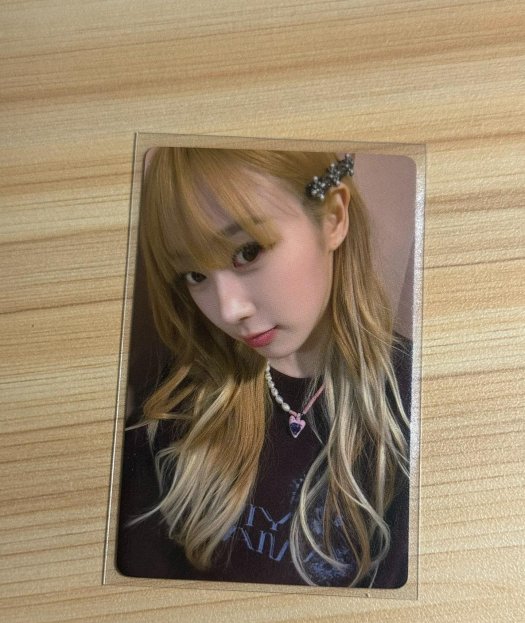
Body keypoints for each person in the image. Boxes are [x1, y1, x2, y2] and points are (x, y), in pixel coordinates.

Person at [117, 147, 412, 588]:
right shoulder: (177, 403)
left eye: (248, 251)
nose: (227, 310)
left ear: (333, 218)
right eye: (194, 275)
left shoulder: (412, 402)